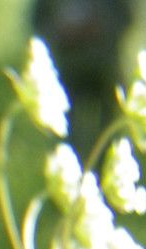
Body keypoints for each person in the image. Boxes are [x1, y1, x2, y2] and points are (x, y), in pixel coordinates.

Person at [30, 0, 136, 153]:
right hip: (67, 70)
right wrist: (60, 31)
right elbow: (38, 21)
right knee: (66, 133)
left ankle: (105, 160)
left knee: (109, 132)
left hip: (104, 69)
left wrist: (100, 29)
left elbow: (127, 18)